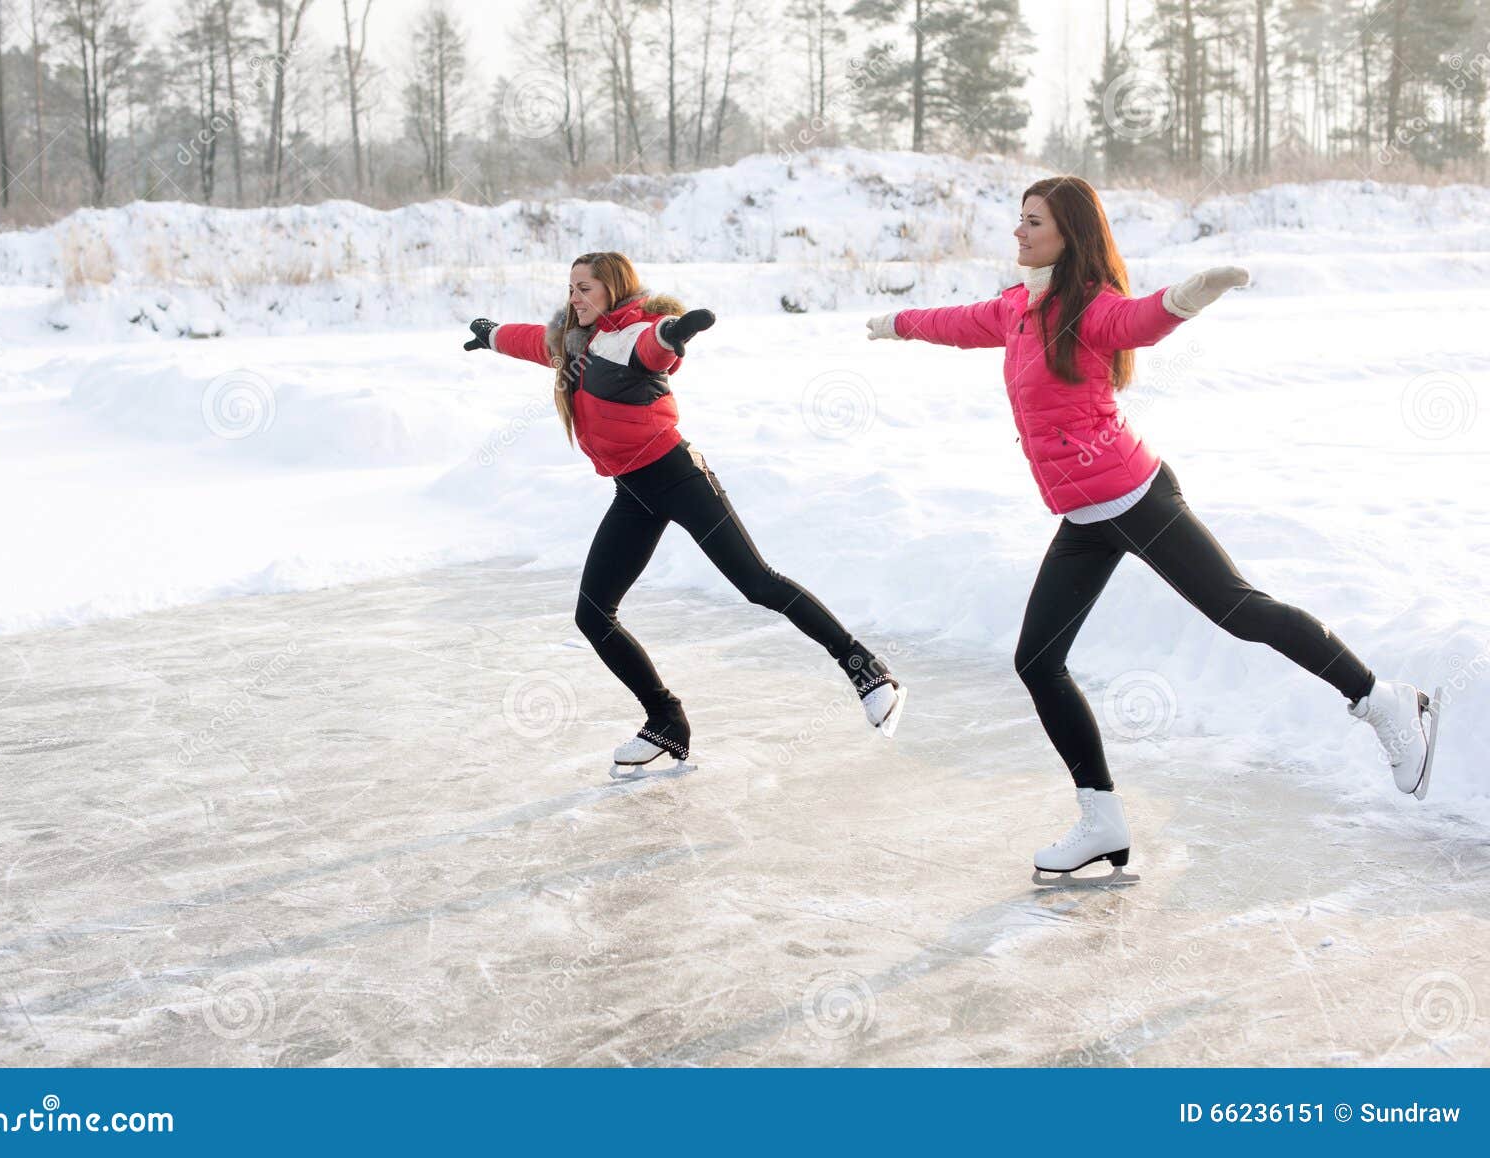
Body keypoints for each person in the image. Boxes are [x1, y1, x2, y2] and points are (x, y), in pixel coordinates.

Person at [866, 176, 1437, 885]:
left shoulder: (1089, 309)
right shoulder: (1015, 308)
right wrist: (899, 323)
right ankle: (1101, 819)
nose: (1017, 232)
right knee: (1037, 662)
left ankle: (1383, 699)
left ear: (1068, 233)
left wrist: (1190, 295)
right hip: (1084, 518)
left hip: (1135, 497)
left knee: (1239, 611)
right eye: (1018, 219)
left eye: (1032, 221)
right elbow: (956, 324)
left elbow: (1140, 320)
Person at [466, 251, 907, 777]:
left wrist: (675, 333)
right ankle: (666, 721)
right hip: (633, 493)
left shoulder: (633, 333)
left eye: (585, 288)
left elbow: (655, 347)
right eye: (571, 288)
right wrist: (492, 334)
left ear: (613, 290)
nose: (575, 298)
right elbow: (532, 340)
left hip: (679, 477)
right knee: (592, 613)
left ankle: (869, 674)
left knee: (758, 583)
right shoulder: (574, 342)